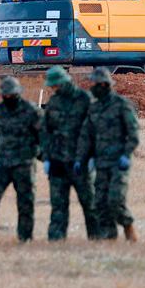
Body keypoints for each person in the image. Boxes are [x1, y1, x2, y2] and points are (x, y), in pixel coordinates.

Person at [76, 67, 139, 241]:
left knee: (115, 199)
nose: (92, 87)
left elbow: (133, 133)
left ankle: (128, 225)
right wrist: (81, 159)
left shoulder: (121, 105)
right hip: (100, 162)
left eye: (95, 84)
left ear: (104, 84)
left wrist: (127, 154)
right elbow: (86, 136)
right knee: (100, 203)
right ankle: (108, 236)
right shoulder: (94, 108)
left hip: (119, 161)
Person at [0, 76, 43, 242]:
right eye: (5, 95)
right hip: (3, 162)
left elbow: (42, 136)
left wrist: (39, 155)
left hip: (24, 163)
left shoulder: (32, 111)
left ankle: (25, 237)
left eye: (11, 95)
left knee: (25, 201)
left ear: (18, 93)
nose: (8, 98)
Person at [41, 66, 99, 241]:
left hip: (80, 162)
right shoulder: (54, 102)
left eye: (55, 85)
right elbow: (46, 131)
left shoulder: (85, 100)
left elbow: (95, 130)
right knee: (58, 205)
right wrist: (46, 157)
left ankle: (97, 238)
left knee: (90, 204)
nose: (53, 89)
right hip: (58, 162)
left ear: (64, 82)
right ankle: (56, 240)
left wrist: (93, 156)